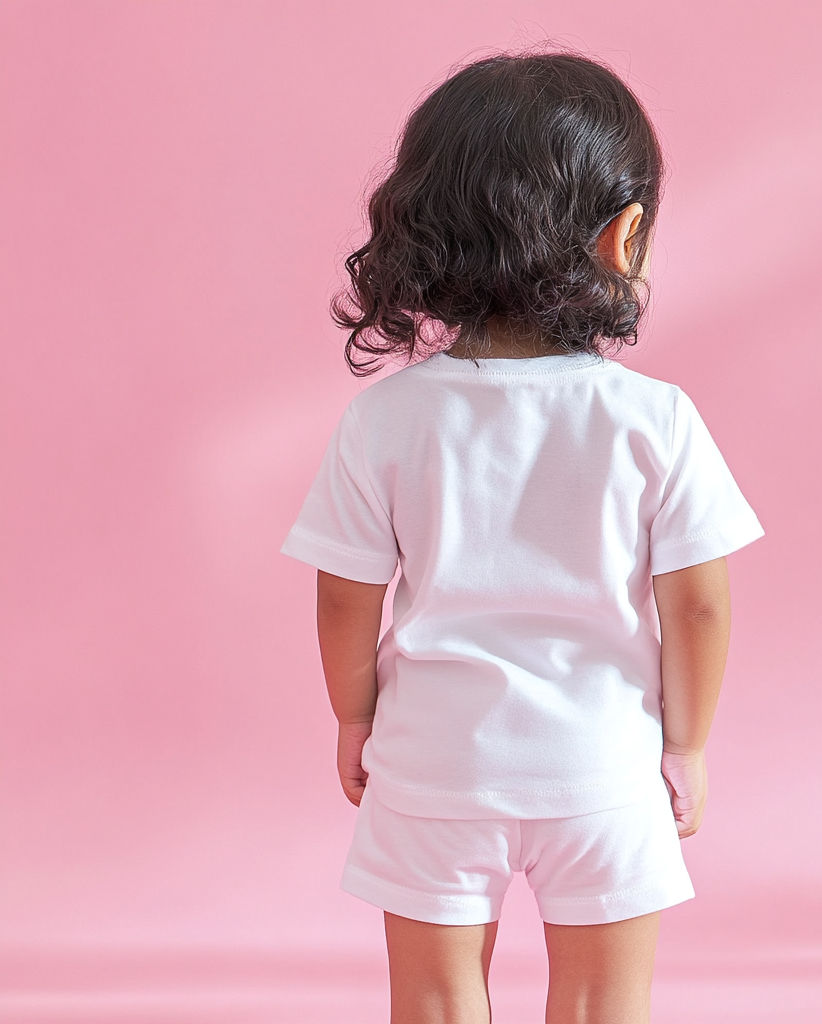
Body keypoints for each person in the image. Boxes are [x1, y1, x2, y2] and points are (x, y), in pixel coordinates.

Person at [282, 50, 763, 1024]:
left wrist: (353, 716)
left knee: (435, 998)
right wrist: (688, 741)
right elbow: (699, 600)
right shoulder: (652, 419)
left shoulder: (385, 420)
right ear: (623, 236)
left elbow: (345, 592)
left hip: (434, 761)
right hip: (603, 763)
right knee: (598, 1003)